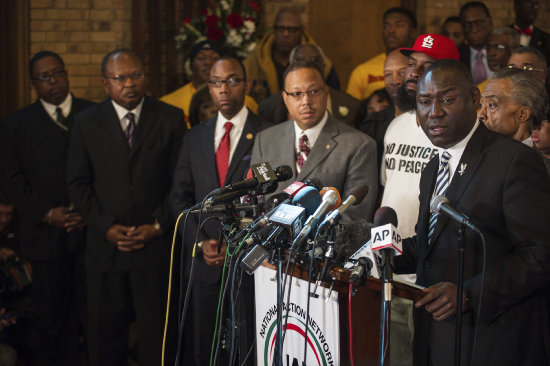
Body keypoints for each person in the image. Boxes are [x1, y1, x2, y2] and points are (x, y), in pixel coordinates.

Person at [395, 58, 550, 366]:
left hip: (492, 339)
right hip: (434, 336)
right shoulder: (433, 167)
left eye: (448, 100)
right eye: (424, 102)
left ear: (475, 100)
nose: (434, 112)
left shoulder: (514, 161)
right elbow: (430, 245)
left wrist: (469, 294)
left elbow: (539, 254)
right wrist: (378, 252)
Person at [67, 49, 185, 366]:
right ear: (106, 84)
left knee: (157, 338)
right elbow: (78, 184)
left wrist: (158, 225)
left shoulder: (170, 118)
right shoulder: (86, 123)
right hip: (106, 248)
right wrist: (105, 226)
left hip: (155, 246)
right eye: (121, 78)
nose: (129, 83)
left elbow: (180, 183)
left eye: (136, 75)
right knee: (105, 338)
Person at [170, 56, 269, 365]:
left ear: (246, 85)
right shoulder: (194, 136)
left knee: (248, 345)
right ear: (208, 89)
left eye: (231, 80)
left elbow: (269, 200)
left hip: (248, 262)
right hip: (205, 261)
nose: (223, 89)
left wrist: (237, 241)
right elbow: (179, 198)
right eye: (215, 82)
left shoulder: (267, 133)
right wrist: (199, 243)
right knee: (205, 348)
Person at [0, 50, 94, 366]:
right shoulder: (16, 125)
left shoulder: (93, 114)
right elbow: (13, 181)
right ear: (34, 83)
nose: (53, 80)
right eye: (45, 76)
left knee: (95, 314)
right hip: (44, 237)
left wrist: (88, 210)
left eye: (58, 73)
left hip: (91, 233)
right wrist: (47, 213)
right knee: (52, 320)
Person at [379, 34, 459, 365]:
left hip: (434, 281)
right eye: (412, 65)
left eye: (426, 66)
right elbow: (389, 188)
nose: (414, 73)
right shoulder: (395, 126)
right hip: (389, 272)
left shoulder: (448, 131)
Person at [251, 60, 378, 221]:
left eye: (313, 91)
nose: (306, 101)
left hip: (324, 244)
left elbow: (355, 215)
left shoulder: (359, 145)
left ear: (326, 91)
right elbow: (256, 201)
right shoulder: (266, 139)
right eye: (297, 94)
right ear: (285, 97)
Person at [244, 7, 340, 103]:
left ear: (301, 31)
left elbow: (335, 100)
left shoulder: (321, 63)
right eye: (281, 28)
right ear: (273, 30)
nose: (286, 34)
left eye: (292, 30)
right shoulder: (252, 63)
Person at [258, 43, 360, 125]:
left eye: (314, 60)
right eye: (301, 61)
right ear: (290, 66)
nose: (308, 66)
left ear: (324, 66)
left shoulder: (351, 104)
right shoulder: (268, 107)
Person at [161, 40, 258, 125]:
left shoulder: (247, 101)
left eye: (215, 58)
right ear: (191, 65)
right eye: (201, 58)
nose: (208, 62)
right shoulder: (168, 103)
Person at [347, 7, 417, 100]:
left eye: (399, 25)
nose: (391, 30)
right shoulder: (362, 71)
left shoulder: (421, 67)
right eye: (386, 26)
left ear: (412, 32)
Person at [357, 48, 409, 170]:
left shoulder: (428, 121)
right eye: (388, 74)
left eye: (402, 72)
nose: (394, 81)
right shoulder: (373, 124)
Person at [478, 67, 547, 147]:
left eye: (491, 105)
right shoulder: (478, 155)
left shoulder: (533, 159)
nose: (480, 115)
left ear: (522, 114)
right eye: (482, 105)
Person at [459, 2, 493, 85]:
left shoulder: (505, 53)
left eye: (479, 23)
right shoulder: (456, 57)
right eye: (467, 24)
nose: (474, 29)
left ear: (490, 21)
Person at [477, 27, 520, 91]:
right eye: (488, 47)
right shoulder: (482, 90)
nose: (491, 53)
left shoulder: (524, 87)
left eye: (499, 47)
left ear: (514, 50)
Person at [509, 0, 550, 66]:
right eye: (528, 4)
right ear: (516, 6)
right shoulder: (503, 34)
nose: (533, 9)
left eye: (536, 5)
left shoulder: (546, 39)